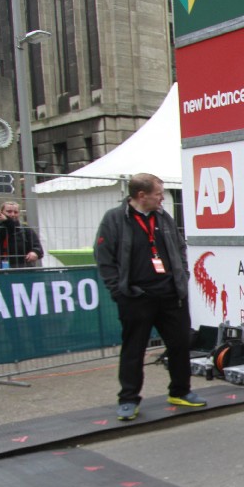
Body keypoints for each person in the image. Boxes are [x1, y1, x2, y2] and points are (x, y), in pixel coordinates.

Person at [94, 173, 206, 421]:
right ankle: (128, 399)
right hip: (136, 297)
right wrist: (119, 291)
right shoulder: (115, 219)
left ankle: (180, 391)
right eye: (158, 194)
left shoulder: (163, 217)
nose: (162, 198)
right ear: (141, 195)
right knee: (134, 349)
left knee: (180, 344)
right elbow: (104, 257)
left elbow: (179, 248)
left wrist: (182, 277)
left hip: (171, 295)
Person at [0, 201, 45, 268]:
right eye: (9, 212)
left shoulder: (26, 229)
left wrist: (35, 252)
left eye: (16, 212)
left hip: (22, 268)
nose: (12, 214)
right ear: (1, 212)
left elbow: (38, 248)